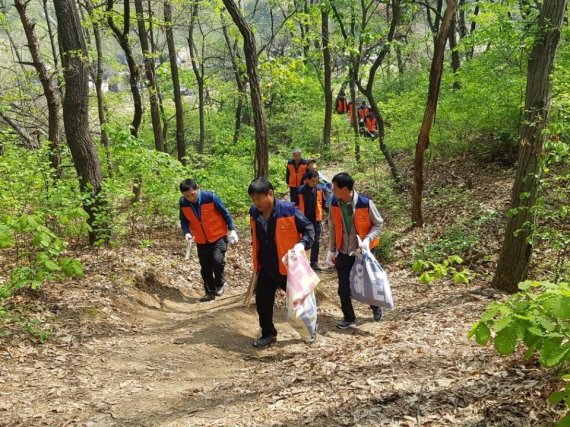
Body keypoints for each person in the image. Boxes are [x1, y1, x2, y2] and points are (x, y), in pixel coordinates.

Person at [248, 178, 315, 348]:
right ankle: (268, 333)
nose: (256, 203)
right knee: (262, 302)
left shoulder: (289, 210)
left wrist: (302, 244)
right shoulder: (254, 213)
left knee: (300, 302)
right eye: (253, 199)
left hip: (289, 268)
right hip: (266, 267)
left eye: (259, 198)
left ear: (270, 194)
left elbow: (309, 229)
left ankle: (309, 330)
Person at [326, 172, 384, 329]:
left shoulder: (365, 203)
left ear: (345, 189)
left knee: (369, 283)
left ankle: (375, 307)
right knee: (342, 288)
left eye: (335, 188)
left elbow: (378, 224)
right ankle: (349, 318)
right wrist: (332, 249)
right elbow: (332, 225)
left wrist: (367, 239)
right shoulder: (334, 203)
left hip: (364, 251)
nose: (332, 191)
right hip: (343, 251)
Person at [179, 179, 239, 302]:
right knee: (205, 267)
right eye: (187, 196)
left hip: (218, 236)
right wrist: (187, 233)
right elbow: (184, 220)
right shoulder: (183, 203)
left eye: (192, 194)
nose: (191, 198)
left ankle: (219, 283)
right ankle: (209, 292)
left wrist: (232, 229)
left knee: (217, 261)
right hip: (201, 240)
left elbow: (225, 213)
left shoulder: (210, 197)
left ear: (197, 188)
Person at [294, 171, 328, 271]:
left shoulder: (319, 189)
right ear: (307, 180)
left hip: (316, 220)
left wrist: (327, 209)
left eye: (316, 181)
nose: (315, 183)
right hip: (303, 221)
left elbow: (324, 202)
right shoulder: (300, 191)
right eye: (313, 181)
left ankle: (314, 263)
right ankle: (302, 264)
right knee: (303, 242)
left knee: (316, 242)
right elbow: (294, 205)